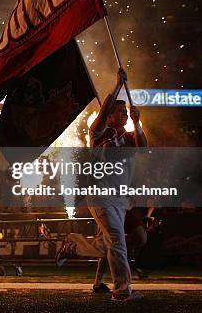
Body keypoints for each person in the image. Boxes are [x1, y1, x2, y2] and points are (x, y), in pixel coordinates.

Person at [56, 68, 147, 301]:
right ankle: (122, 290)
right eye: (120, 112)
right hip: (101, 196)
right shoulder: (98, 135)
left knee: (110, 244)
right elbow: (105, 108)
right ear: (108, 116)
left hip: (120, 198)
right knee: (117, 241)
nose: (124, 115)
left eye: (125, 112)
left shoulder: (127, 137)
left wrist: (137, 123)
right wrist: (117, 85)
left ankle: (74, 246)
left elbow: (144, 147)